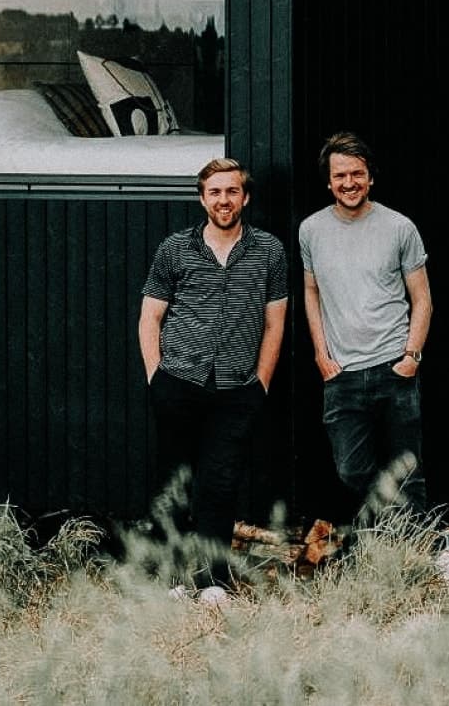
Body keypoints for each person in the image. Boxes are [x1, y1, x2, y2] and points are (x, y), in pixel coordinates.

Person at [138, 157, 288, 598]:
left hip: (237, 389)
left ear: (246, 197)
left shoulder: (269, 251)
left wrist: (260, 382)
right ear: (202, 198)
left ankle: (213, 582)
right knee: (175, 485)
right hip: (179, 384)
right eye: (215, 192)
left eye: (232, 191)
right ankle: (172, 580)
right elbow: (150, 317)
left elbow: (275, 323)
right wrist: (156, 379)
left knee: (220, 486)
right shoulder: (174, 249)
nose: (224, 200)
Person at [298, 131, 433, 528]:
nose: (349, 183)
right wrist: (321, 356)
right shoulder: (311, 230)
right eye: (340, 176)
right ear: (328, 181)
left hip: (394, 366)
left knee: (407, 470)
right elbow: (311, 292)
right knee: (350, 469)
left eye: (357, 174)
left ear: (370, 176)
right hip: (341, 373)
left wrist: (411, 357)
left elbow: (422, 298)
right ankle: (420, 539)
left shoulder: (399, 227)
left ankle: (421, 551)